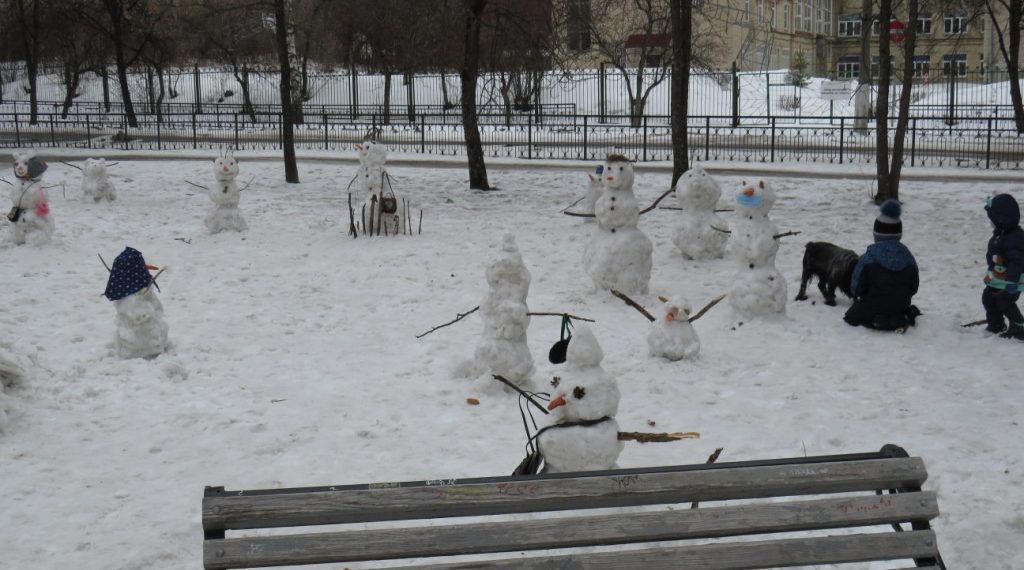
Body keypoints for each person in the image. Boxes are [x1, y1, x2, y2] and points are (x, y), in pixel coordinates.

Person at [844, 199, 920, 331]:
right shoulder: (908, 257)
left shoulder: (867, 258)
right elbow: (914, 287)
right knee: (896, 308)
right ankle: (901, 316)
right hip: (901, 305)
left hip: (873, 306)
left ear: (876, 234)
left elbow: (856, 288)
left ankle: (880, 321)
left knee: (851, 316)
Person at [982, 193, 1024, 340]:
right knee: (988, 298)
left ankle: (1018, 326)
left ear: (1001, 220)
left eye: (992, 219)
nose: (990, 222)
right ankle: (996, 324)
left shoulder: (1015, 238)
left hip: (1013, 280)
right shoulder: (1000, 234)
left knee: (1004, 301)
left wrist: (1012, 281)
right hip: (998, 279)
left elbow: (1017, 261)